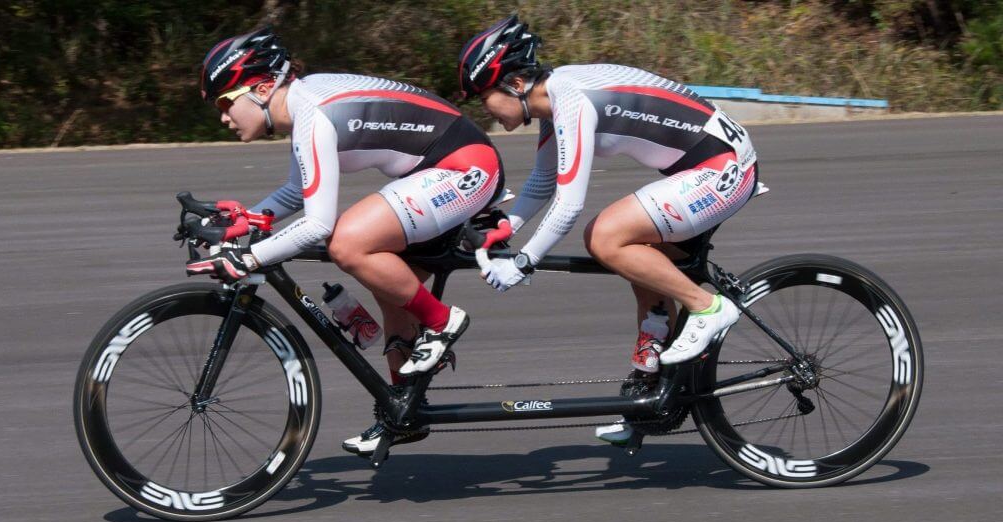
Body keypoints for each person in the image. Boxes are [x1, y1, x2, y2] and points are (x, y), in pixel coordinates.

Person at [192, 28, 504, 454]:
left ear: (263, 89)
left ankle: (442, 322)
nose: (224, 118)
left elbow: (319, 225)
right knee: (389, 285)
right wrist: (242, 221)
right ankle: (402, 411)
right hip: (435, 173)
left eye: (226, 103)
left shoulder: (313, 114)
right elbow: (298, 191)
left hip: (465, 169)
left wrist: (247, 258)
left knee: (348, 243)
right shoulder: (305, 108)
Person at [458, 16, 759, 445]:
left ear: (517, 84)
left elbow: (569, 203)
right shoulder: (554, 102)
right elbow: (543, 183)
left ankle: (706, 308)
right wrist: (503, 228)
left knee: (605, 236)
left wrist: (525, 262)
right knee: (640, 263)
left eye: (482, 98)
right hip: (703, 167)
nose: (482, 110)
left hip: (723, 169)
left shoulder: (571, 100)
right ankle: (652, 395)